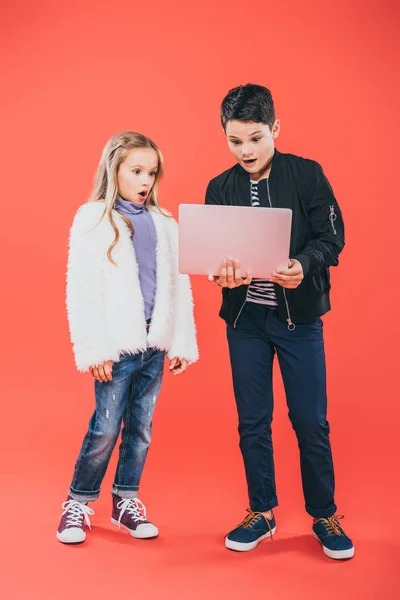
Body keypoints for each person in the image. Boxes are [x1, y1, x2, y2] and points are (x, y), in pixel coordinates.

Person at [205, 84, 354, 560]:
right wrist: (220, 273)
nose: (245, 150)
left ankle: (324, 513)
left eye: (255, 138)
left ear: (275, 129)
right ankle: (261, 512)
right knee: (253, 421)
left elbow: (333, 237)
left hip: (299, 319)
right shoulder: (219, 187)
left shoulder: (307, 175)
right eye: (235, 140)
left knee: (310, 420)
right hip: (245, 321)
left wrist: (304, 264)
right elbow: (213, 254)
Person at [57, 131, 198, 544]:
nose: (145, 181)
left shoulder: (164, 222)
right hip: (117, 347)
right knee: (105, 427)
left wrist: (181, 341)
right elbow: (80, 290)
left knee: (141, 428)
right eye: (136, 171)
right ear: (113, 170)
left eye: (151, 173)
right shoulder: (92, 219)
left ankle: (125, 500)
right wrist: (94, 348)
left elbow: (179, 284)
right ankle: (78, 503)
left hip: (154, 346)